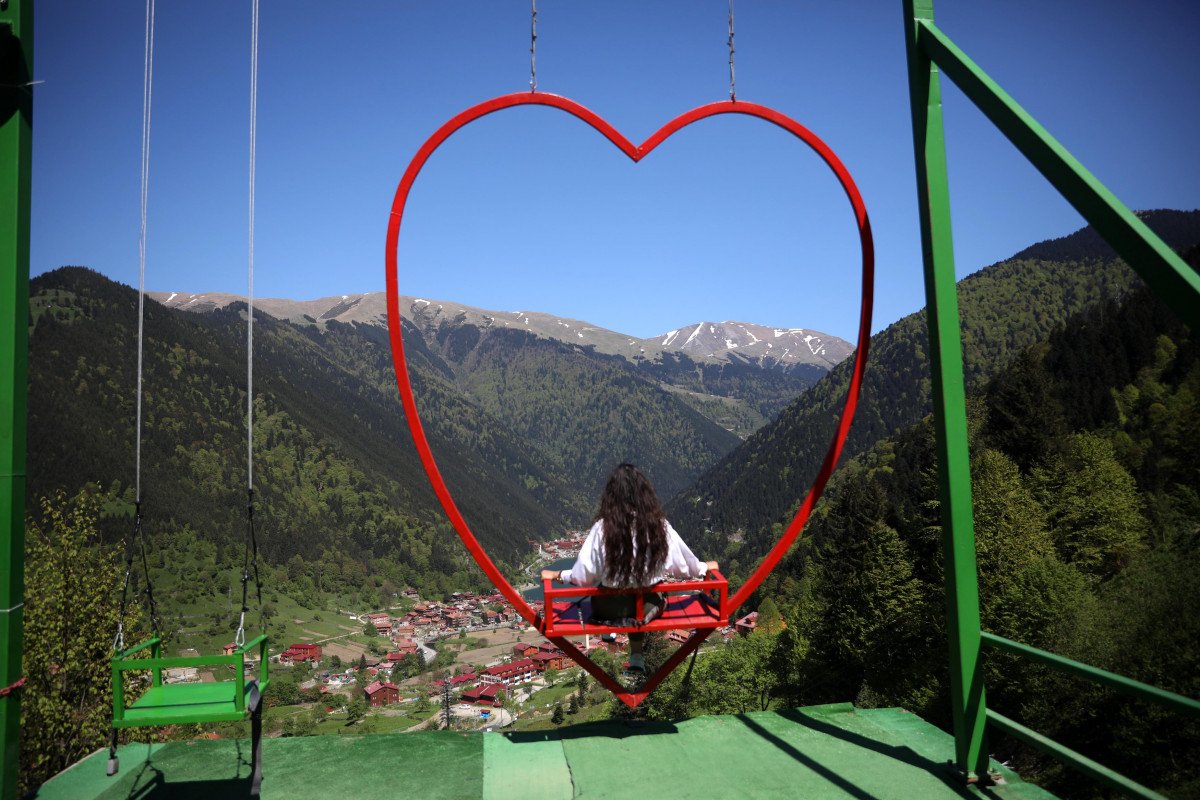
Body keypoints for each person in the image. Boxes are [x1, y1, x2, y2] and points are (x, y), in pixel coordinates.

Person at [542, 463, 718, 676]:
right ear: (644, 495)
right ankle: (636, 656)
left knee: (608, 586)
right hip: (645, 609)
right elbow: (683, 566)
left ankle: (609, 633)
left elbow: (584, 576)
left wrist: (559, 575)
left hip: (606, 609)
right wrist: (703, 567)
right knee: (646, 596)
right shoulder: (658, 526)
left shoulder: (602, 528)